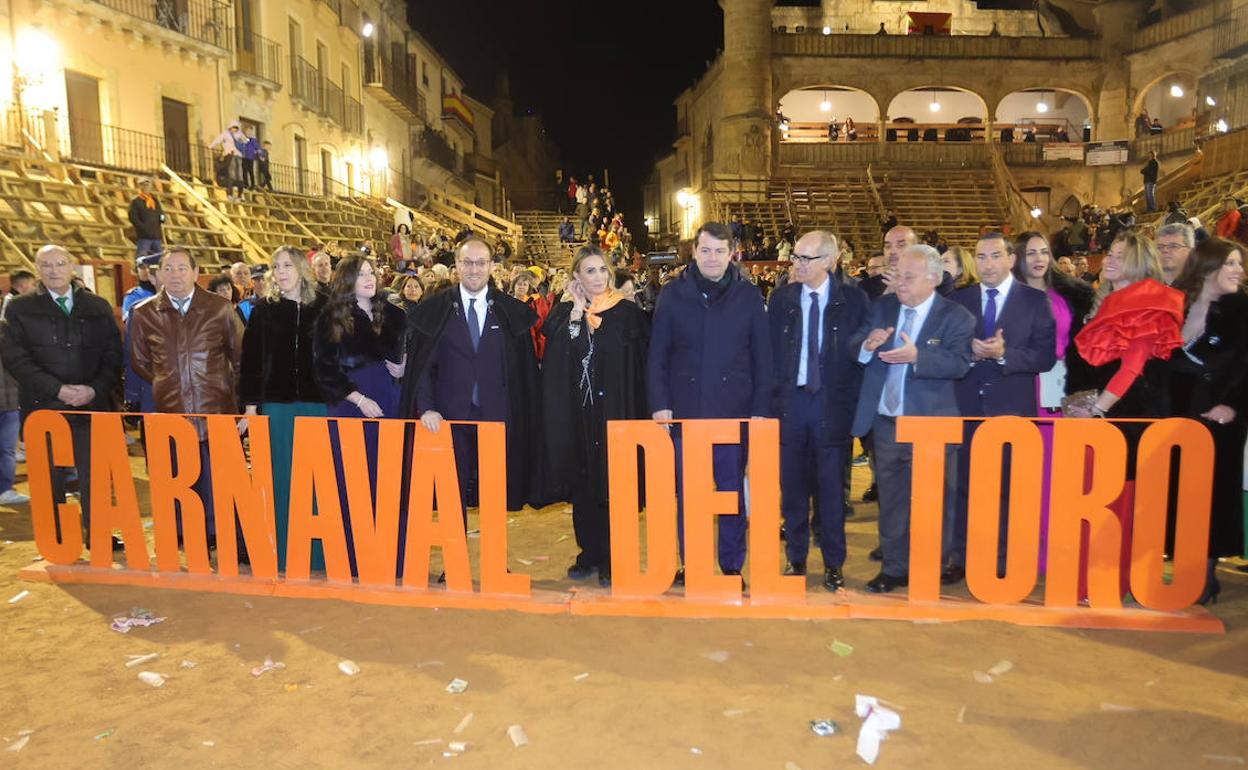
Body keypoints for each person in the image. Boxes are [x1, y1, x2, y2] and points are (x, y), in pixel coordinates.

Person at [402, 237, 542, 563]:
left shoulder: (510, 312)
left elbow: (523, 372)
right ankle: (454, 563)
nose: (474, 269)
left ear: (492, 267)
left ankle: (495, 564)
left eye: (481, 263)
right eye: (468, 263)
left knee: (494, 493)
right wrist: (427, 407)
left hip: (497, 416)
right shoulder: (437, 309)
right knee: (452, 492)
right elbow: (423, 366)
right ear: (456, 267)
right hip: (450, 417)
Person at [648, 221, 773, 583]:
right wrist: (659, 401)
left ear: (732, 253)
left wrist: (762, 408)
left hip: (734, 413)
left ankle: (731, 565)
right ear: (694, 252)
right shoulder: (673, 294)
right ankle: (694, 563)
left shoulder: (748, 296)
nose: (713, 258)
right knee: (690, 494)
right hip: (686, 413)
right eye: (706, 250)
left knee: (731, 491)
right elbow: (658, 353)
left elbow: (762, 357)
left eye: (720, 251)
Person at [1064, 233, 1184, 600]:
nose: (1110, 260)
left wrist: (1098, 410)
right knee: (1099, 503)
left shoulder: (1149, 302)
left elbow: (1131, 368)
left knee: (1120, 504)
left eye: (1120, 255)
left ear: (1139, 261)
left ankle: (1110, 583)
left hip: (1128, 419)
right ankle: (1094, 581)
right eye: (1110, 253)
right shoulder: (1106, 300)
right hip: (1104, 415)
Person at [852, 244, 974, 593]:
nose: (900, 283)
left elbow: (960, 363)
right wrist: (867, 345)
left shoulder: (956, 317)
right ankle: (894, 567)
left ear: (934, 279)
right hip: (887, 422)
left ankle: (932, 566)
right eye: (898, 274)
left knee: (936, 500)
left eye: (909, 276)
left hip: (931, 424)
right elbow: (854, 343)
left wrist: (918, 356)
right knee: (891, 500)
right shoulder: (883, 307)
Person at [943, 234, 1057, 585]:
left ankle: (1004, 559)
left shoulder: (1036, 301)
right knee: (963, 485)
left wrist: (1005, 355)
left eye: (995, 256)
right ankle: (960, 556)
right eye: (981, 256)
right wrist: (970, 354)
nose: (988, 263)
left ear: (1011, 259)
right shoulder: (959, 300)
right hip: (966, 405)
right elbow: (947, 349)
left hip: (1012, 407)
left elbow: (1045, 355)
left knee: (1008, 488)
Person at [541, 246, 650, 586]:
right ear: (577, 277)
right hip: (577, 413)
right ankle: (589, 553)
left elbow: (639, 366)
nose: (599, 277)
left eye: (602, 269)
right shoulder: (564, 314)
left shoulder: (627, 313)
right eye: (590, 271)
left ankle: (611, 558)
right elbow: (557, 357)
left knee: (613, 482)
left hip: (615, 410)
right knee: (583, 482)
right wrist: (574, 309)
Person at [767, 231, 869, 591]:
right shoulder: (781, 300)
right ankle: (796, 558)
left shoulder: (853, 302)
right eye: (795, 257)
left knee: (831, 493)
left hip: (831, 406)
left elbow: (861, 354)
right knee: (792, 490)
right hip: (792, 406)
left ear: (828, 260)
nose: (796, 264)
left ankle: (833, 563)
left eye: (805, 258)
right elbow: (771, 357)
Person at [1, 245, 122, 547]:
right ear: (37, 269)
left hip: (91, 404)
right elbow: (16, 359)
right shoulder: (19, 309)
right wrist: (58, 389)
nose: (54, 270)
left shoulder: (97, 306)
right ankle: (56, 541)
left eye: (60, 263)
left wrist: (94, 388)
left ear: (72, 267)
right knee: (48, 479)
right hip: (44, 406)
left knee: (94, 475)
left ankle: (99, 536)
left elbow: (113, 354)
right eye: (46, 264)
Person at [129, 247, 244, 549]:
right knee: (178, 475)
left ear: (196, 273)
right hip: (172, 409)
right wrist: (169, 380)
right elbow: (140, 361)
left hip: (216, 407)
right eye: (169, 269)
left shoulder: (220, 308)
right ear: (158, 275)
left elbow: (240, 353)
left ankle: (219, 530)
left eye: (182, 268)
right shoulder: (143, 314)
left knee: (217, 477)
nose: (175, 275)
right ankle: (184, 530)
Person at [312, 254, 406, 576]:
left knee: (389, 478)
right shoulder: (330, 318)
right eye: (361, 273)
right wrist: (358, 399)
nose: (369, 278)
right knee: (351, 481)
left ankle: (393, 556)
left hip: (388, 400)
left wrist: (403, 366)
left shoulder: (392, 314)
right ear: (346, 279)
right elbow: (324, 371)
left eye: (371, 273)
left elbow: (404, 357)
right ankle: (352, 556)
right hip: (350, 405)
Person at [239, 246, 327, 573]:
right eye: (277, 267)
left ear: (301, 268)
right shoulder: (263, 311)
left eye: (287, 265)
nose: (281, 272)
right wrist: (250, 408)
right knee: (280, 479)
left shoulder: (324, 307)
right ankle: (285, 552)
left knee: (318, 480)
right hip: (276, 407)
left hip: (318, 405)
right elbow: (249, 363)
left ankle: (320, 554)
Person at [1169, 237, 1247, 604]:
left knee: (1212, 499)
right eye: (1231, 263)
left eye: (1239, 264)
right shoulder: (1176, 302)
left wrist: (1233, 407)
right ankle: (1179, 568)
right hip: (1175, 417)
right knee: (1177, 495)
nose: (1239, 271)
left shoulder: (1243, 309)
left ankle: (1206, 576)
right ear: (1208, 266)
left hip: (1219, 421)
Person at [208, 120, 246, 201]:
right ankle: (233, 193)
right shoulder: (225, 134)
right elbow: (218, 140)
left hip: (238, 155)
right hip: (229, 155)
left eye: (236, 128)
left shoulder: (239, 134)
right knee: (231, 172)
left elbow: (246, 142)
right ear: (230, 127)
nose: (234, 129)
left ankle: (240, 194)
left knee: (239, 174)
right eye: (233, 127)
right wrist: (211, 146)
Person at [128, 177, 165, 258]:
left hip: (156, 235)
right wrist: (142, 227)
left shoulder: (155, 201)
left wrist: (162, 220)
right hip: (144, 236)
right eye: (144, 185)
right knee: (142, 257)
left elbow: (161, 213)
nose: (146, 187)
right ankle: (139, 270)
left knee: (160, 257)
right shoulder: (136, 201)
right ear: (140, 187)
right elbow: (132, 217)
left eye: (148, 185)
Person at [240, 125, 259, 190]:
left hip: (250, 157)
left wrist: (256, 152)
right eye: (247, 131)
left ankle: (253, 184)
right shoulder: (243, 138)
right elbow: (241, 145)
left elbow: (256, 147)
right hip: (244, 156)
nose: (249, 132)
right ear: (245, 131)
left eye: (250, 131)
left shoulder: (253, 140)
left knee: (251, 171)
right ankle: (246, 184)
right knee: (244, 171)